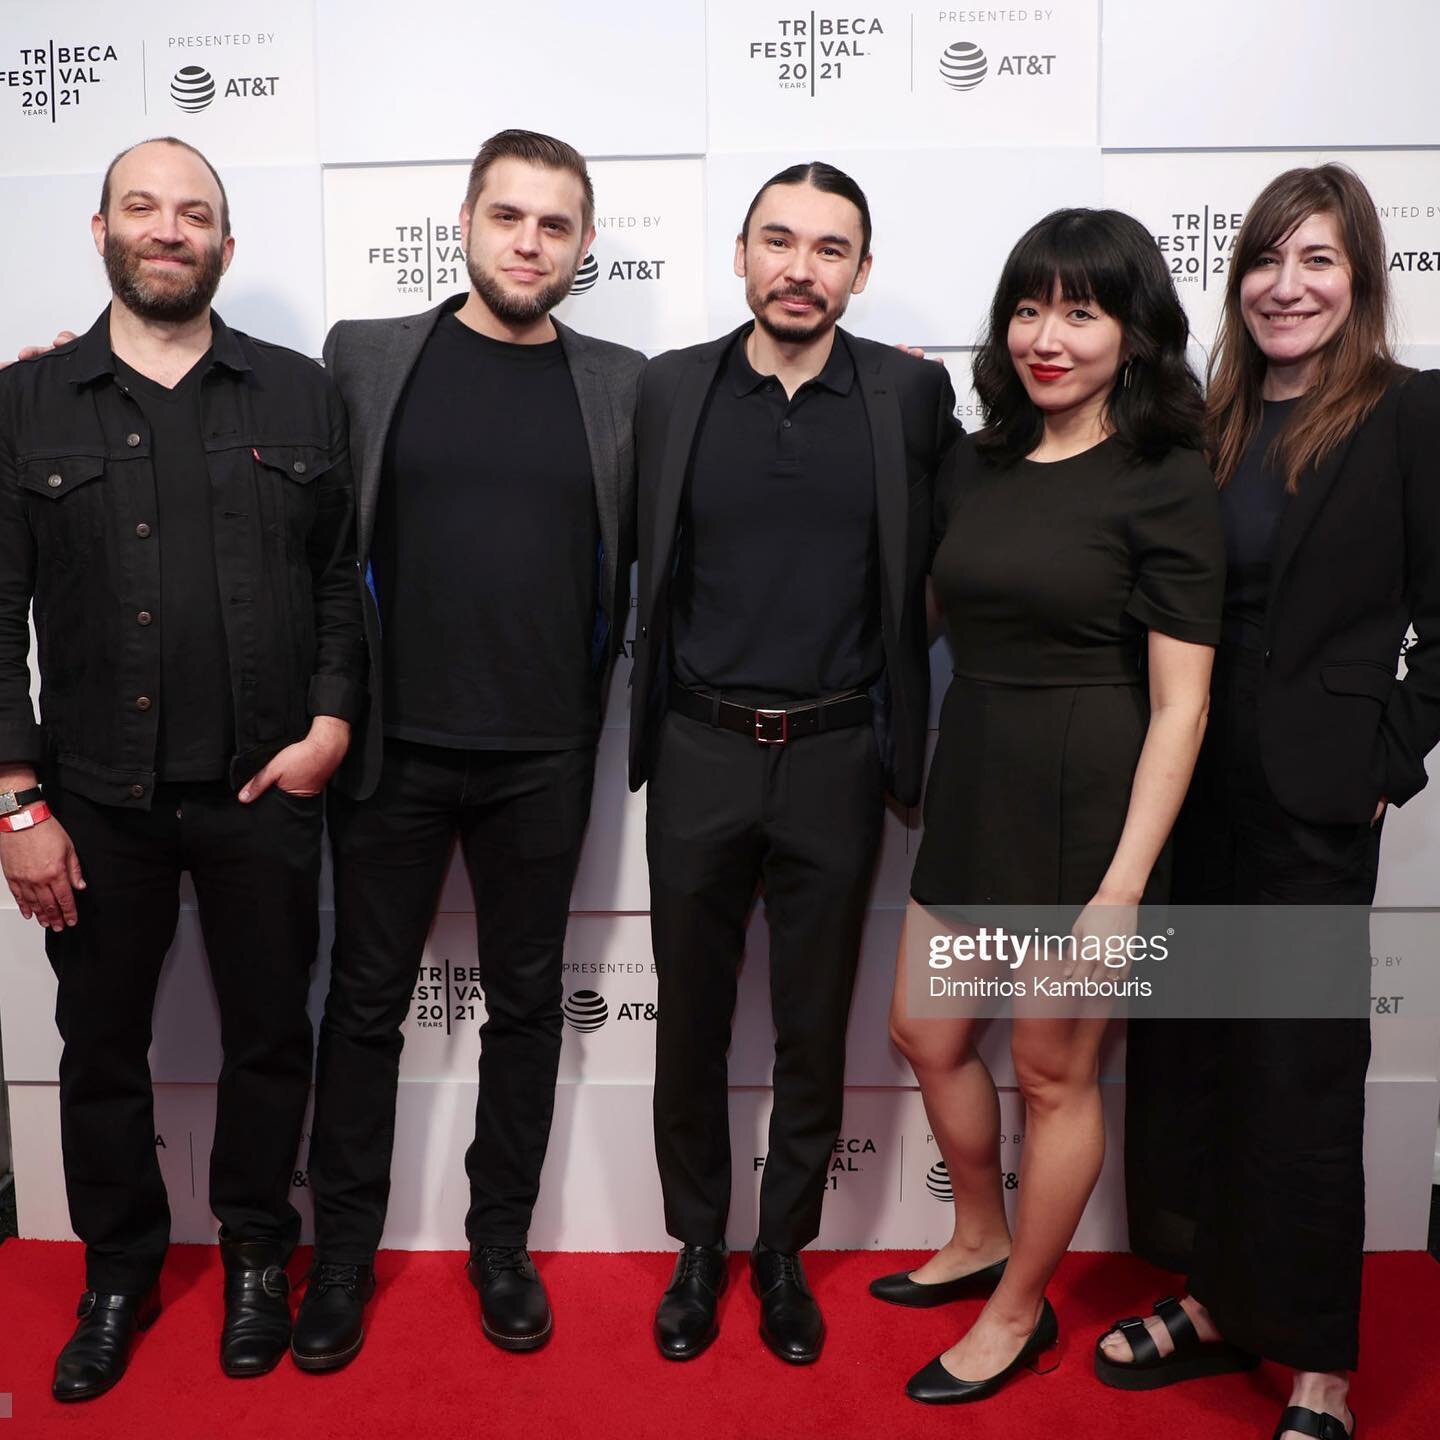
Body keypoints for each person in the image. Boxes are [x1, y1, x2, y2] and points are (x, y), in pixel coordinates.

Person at [0, 136, 362, 1400]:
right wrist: (17, 799)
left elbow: (335, 584)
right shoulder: (24, 403)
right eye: (144, 209)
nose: (170, 229)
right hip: (94, 801)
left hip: (267, 791)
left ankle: (260, 1252)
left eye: (194, 213)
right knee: (100, 1046)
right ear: (98, 228)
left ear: (226, 245)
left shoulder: (303, 394)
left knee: (270, 1039)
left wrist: (330, 723)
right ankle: (117, 1272)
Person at [289, 130, 645, 1370]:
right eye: (507, 217)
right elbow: (282, 484)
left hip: (547, 753)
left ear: (584, 246)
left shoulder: (624, 384)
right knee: (367, 1009)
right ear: (465, 222)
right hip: (387, 746)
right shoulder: (367, 356)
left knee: (528, 1007)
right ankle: (338, 1259)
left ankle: (501, 1248)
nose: (528, 242)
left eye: (554, 224)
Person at [1097, 164, 1440, 1440]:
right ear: (1236, 278)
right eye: (1266, 260)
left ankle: (1318, 1365)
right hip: (1186, 786)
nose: (1286, 287)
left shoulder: (1409, 417)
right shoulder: (1205, 423)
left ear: (1359, 282)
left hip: (1312, 801)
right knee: (1194, 1060)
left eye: (1319, 261)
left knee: (1296, 1073)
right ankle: (1210, 1302)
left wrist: (1380, 759)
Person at [883, 208, 1224, 1404]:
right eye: (1031, 307)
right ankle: (980, 1234)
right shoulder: (978, 460)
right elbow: (926, 609)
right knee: (925, 1034)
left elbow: (1183, 706)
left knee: (1052, 1076)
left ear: (1133, 332)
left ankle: (1020, 1311)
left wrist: (1123, 887)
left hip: (1088, 801)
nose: (1049, 335)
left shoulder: (1167, 477)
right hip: (976, 772)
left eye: (1082, 311)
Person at [629, 162, 959, 1365]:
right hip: (700, 745)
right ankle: (698, 1249)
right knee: (690, 1025)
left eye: (831, 249)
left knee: (814, 1030)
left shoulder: (908, 400)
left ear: (860, 274)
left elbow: (995, 517)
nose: (801, 268)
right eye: (780, 240)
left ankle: (782, 1255)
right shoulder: (672, 391)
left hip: (834, 753)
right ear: (740, 253)